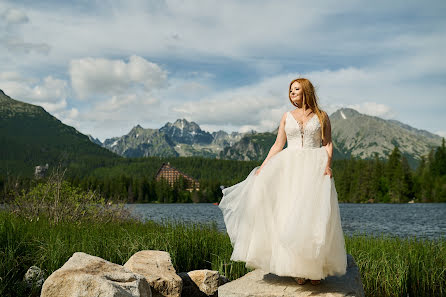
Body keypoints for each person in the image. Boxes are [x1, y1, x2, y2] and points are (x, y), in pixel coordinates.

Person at [218, 77, 347, 286]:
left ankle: (315, 268)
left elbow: (328, 143)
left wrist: (327, 165)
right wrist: (264, 166)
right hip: (289, 168)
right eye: (290, 90)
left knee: (313, 216)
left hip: (315, 166)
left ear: (306, 90)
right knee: (290, 215)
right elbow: (278, 145)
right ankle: (297, 268)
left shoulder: (322, 116)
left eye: (295, 89)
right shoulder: (287, 117)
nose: (291, 93)